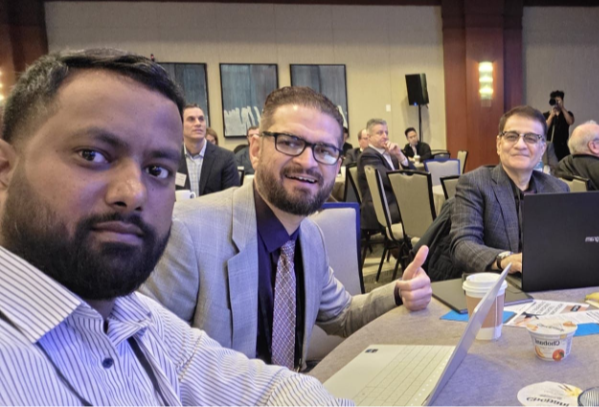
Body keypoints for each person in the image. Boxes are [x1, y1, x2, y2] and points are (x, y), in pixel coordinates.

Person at [0, 49, 350, 406]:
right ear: (4, 169)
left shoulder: (137, 317)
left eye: (157, 170)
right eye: (92, 155)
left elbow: (270, 388)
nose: (133, 193)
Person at [141, 87, 432, 371]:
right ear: (256, 150)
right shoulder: (187, 232)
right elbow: (147, 362)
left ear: (337, 166)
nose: (307, 162)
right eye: (290, 143)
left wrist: (398, 292)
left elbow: (342, 315)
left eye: (324, 150)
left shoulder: (310, 237)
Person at [451, 106, 569, 274]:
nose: (520, 145)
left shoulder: (557, 188)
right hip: (495, 283)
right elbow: (462, 246)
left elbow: (566, 244)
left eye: (531, 138)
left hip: (547, 281)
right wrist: (504, 260)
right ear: (499, 144)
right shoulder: (475, 183)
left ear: (542, 148)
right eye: (512, 136)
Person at [357, 118, 415, 229]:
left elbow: (414, 175)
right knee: (422, 207)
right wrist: (410, 185)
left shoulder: (391, 154)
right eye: (380, 133)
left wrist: (399, 155)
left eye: (386, 132)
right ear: (369, 137)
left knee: (427, 204)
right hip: (381, 207)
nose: (385, 136)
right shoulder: (368, 156)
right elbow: (388, 180)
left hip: (395, 202)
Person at [179, 104, 240, 196]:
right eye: (191, 119)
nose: (198, 123)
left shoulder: (226, 158)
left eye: (201, 119)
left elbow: (232, 199)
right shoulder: (172, 158)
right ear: (180, 125)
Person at [543, 90, 575, 161]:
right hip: (550, 147)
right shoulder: (546, 115)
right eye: (555, 101)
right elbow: (544, 128)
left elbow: (570, 121)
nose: (556, 103)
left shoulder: (566, 114)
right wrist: (551, 116)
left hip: (563, 147)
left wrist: (562, 108)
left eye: (558, 101)